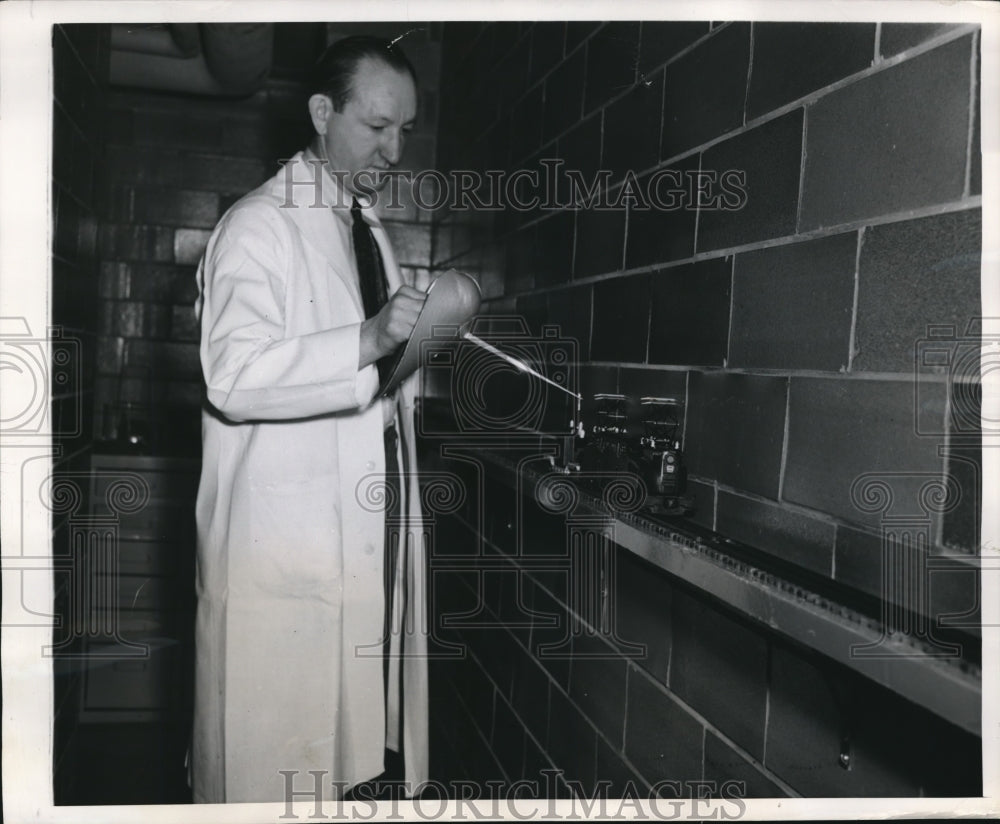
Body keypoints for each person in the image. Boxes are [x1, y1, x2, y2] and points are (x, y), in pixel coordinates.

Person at [191, 35, 429, 804]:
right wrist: (369, 339)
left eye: (404, 130)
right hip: (281, 559)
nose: (394, 149)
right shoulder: (259, 226)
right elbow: (233, 375)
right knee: (268, 763)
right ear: (323, 112)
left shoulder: (363, 230)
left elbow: (375, 384)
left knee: (350, 761)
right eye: (377, 127)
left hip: (361, 537)